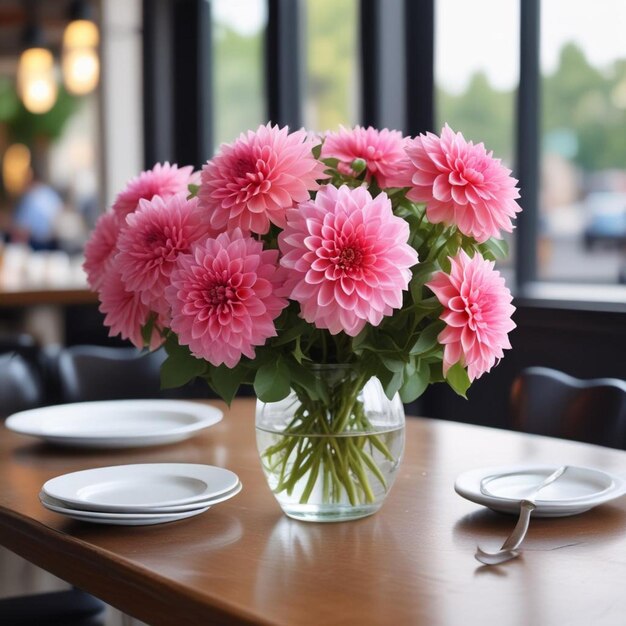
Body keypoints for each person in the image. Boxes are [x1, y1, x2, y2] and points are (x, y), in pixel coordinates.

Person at [11, 165, 63, 251]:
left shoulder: (33, 196)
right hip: (43, 240)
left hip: (41, 241)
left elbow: (22, 225)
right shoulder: (47, 193)